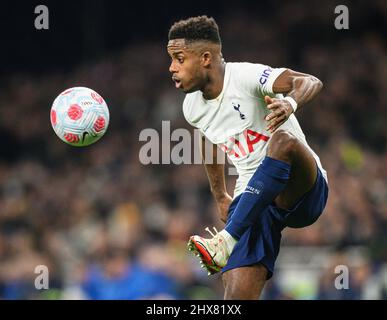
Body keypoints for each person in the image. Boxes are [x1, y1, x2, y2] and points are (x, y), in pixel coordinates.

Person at [167, 15, 328, 299]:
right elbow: (210, 142)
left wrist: (290, 103)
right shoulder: (192, 107)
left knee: (282, 141)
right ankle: (229, 241)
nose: (172, 68)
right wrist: (219, 195)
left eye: (179, 58)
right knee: (236, 296)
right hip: (255, 200)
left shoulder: (246, 77)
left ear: (205, 58)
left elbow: (310, 81)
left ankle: (227, 240)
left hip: (303, 190)